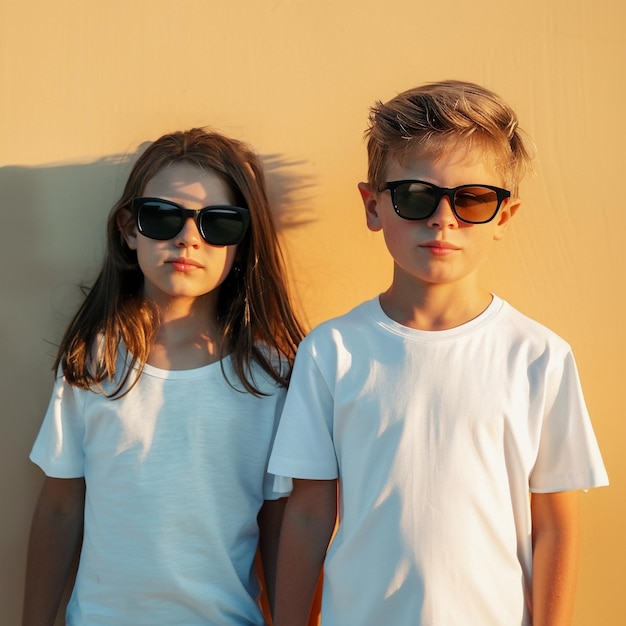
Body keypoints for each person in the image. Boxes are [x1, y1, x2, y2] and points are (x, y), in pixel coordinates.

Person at [269, 80, 609, 626]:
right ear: (373, 205)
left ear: (504, 216)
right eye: (416, 195)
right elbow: (308, 514)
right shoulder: (332, 351)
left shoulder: (539, 357)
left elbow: (556, 526)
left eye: (472, 199)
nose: (443, 219)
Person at [23, 128, 304, 625]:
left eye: (218, 223)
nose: (188, 238)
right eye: (162, 216)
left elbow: (283, 527)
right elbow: (61, 508)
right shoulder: (93, 363)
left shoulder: (272, 379)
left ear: (243, 241)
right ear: (130, 229)